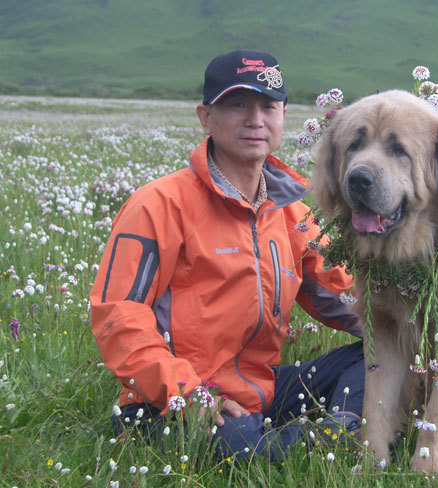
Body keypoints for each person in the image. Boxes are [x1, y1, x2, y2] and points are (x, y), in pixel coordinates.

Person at [89, 49, 364, 462]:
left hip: (263, 390)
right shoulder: (158, 205)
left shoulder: (293, 214)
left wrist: (426, 320)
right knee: (238, 445)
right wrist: (189, 393)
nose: (255, 120)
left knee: (383, 357)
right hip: (170, 403)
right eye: (238, 104)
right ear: (205, 116)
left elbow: (347, 299)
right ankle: (337, 441)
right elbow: (118, 315)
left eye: (268, 106)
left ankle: (326, 438)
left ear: (283, 115)